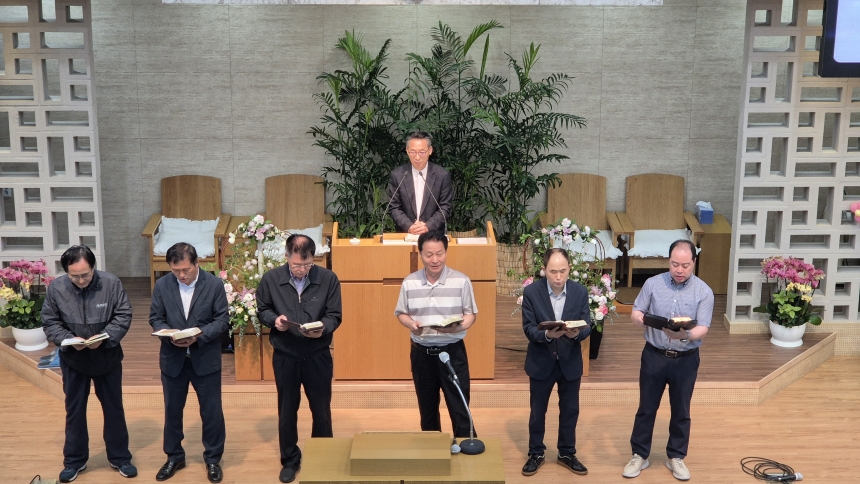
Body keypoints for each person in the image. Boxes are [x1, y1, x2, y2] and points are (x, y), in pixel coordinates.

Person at [42, 245, 137, 483]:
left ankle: (120, 458)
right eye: (75, 276)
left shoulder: (111, 284)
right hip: (74, 359)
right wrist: (67, 339)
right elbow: (50, 321)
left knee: (114, 408)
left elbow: (123, 315)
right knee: (74, 411)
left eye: (86, 275)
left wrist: (105, 338)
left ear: (94, 268)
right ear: (66, 272)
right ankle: (74, 461)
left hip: (107, 357)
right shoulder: (56, 288)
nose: (81, 281)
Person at [622, 239, 714, 481]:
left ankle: (676, 456)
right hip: (654, 355)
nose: (679, 270)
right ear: (669, 261)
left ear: (694, 262)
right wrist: (641, 318)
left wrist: (686, 335)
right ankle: (639, 455)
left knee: (681, 410)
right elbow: (636, 311)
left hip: (686, 359)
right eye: (674, 264)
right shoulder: (653, 284)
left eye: (685, 265)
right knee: (646, 408)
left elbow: (703, 327)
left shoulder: (704, 291)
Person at [256, 234, 343, 484]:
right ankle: (290, 460)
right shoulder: (271, 279)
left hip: (318, 355)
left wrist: (322, 328)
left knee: (321, 409)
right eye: (296, 265)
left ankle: (322, 457)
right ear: (286, 257)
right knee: (287, 410)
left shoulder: (328, 279)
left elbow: (334, 314)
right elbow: (262, 309)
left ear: (314, 258)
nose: (302, 270)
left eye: (307, 264)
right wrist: (274, 320)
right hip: (286, 355)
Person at [149, 242, 229, 483]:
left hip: (204, 358)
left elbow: (222, 320)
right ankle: (174, 456)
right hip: (173, 359)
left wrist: (199, 335)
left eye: (186, 270)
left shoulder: (213, 284)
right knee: (172, 410)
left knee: (211, 412)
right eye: (176, 271)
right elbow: (155, 318)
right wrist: (168, 334)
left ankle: (213, 459)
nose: (181, 275)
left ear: (197, 263)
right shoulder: (163, 285)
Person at [395, 230, 478, 438]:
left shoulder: (461, 281)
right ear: (420, 254)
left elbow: (470, 314)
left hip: (453, 353)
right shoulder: (409, 282)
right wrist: (411, 324)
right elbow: (401, 313)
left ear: (446, 252)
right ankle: (432, 450)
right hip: (422, 354)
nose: (435, 260)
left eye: (439, 254)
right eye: (429, 254)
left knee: (460, 407)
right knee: (427, 409)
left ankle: (466, 447)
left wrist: (458, 327)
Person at [520, 248, 591, 477]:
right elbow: (529, 328)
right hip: (541, 361)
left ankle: (567, 453)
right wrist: (547, 335)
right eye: (553, 271)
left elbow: (587, 324)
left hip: (570, 361)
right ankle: (536, 453)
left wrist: (577, 333)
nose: (558, 277)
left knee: (570, 410)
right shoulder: (532, 292)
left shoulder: (580, 292)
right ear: (544, 270)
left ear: (570, 269)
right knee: (537, 411)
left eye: (563, 271)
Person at [387, 131, 453, 234]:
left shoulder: (442, 175)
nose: (417, 157)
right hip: (406, 234)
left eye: (422, 152)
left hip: (433, 235)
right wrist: (409, 226)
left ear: (430, 150)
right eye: (413, 152)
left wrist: (427, 226)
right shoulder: (398, 175)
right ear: (407, 151)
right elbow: (394, 207)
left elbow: (445, 207)